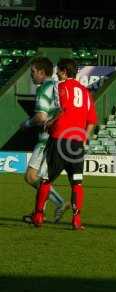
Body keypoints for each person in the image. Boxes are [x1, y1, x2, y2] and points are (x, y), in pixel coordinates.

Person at [31, 58, 97, 230]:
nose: (57, 74)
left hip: (59, 138)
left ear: (64, 72)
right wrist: (83, 138)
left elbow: (62, 109)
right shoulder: (85, 92)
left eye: (58, 71)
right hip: (76, 142)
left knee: (45, 179)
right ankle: (76, 220)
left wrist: (49, 122)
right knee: (77, 183)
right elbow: (91, 121)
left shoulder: (59, 86)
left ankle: (38, 215)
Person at [21, 57, 67, 224]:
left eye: (33, 72)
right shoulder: (58, 87)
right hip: (59, 137)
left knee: (31, 177)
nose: (32, 76)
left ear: (41, 72)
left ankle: (60, 202)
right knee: (43, 179)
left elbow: (41, 117)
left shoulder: (43, 89)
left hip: (46, 139)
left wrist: (26, 123)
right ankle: (38, 213)